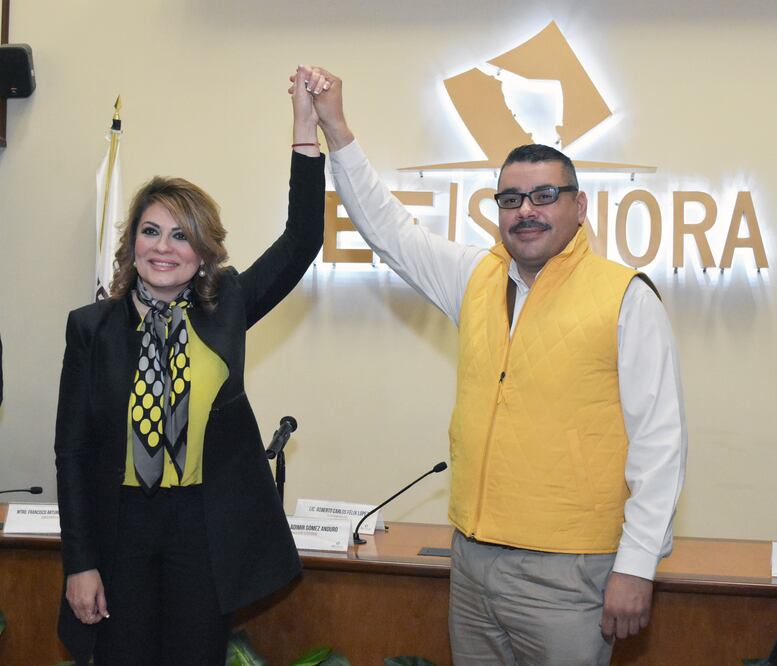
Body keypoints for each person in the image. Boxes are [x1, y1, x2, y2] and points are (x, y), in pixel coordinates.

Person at [298, 66, 686, 665]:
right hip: (473, 563)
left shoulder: (626, 296)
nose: (525, 211)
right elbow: (388, 229)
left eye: (543, 196)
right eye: (510, 199)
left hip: (570, 574)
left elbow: (660, 445)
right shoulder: (474, 279)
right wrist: (338, 130)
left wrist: (637, 566)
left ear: (579, 206)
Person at [54, 68, 327, 666]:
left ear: (203, 253)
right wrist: (80, 562)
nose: (163, 247)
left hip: (202, 530)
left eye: (182, 236)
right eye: (150, 231)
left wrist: (304, 129)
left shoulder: (226, 305)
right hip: (119, 528)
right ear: (131, 244)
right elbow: (72, 453)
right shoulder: (90, 329)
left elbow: (303, 238)